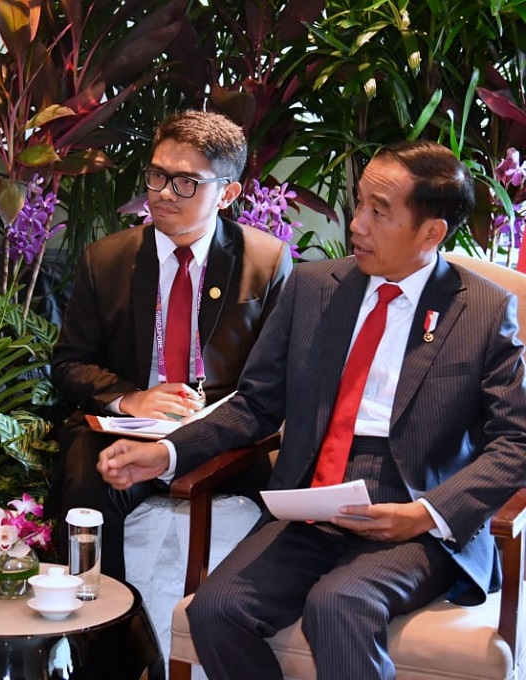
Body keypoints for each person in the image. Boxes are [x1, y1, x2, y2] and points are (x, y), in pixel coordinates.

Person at [98, 140, 526, 679]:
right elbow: (255, 406)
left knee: (338, 606)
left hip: (415, 512)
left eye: (379, 211)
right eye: (360, 203)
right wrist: (165, 453)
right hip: (315, 499)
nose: (357, 225)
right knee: (216, 611)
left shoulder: (484, 310)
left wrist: (425, 514)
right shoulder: (313, 288)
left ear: (432, 233)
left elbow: (517, 442)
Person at [49, 110, 293, 578]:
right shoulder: (109, 259)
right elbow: (69, 364)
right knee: (87, 477)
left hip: (224, 432)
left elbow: (275, 385)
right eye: (158, 174)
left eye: (185, 182)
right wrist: (131, 399)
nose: (162, 192)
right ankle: (101, 625)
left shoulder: (265, 262)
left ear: (227, 193)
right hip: (127, 426)